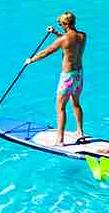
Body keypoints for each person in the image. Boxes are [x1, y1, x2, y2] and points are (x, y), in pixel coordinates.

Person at [23, 12, 86, 145]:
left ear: (65, 24)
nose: (60, 26)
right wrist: (55, 33)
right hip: (79, 75)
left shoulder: (63, 40)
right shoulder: (82, 36)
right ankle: (80, 131)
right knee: (76, 103)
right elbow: (70, 42)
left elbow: (46, 52)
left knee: (60, 108)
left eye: (60, 24)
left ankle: (60, 140)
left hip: (67, 77)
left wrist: (31, 60)